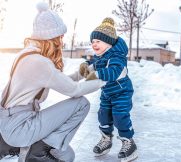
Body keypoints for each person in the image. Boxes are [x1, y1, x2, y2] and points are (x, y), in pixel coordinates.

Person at [0, 2, 105, 162]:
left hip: (12, 121)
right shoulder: (39, 62)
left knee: (67, 155)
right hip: (20, 126)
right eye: (60, 37)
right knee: (81, 104)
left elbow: (59, 82)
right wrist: (104, 77)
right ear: (52, 38)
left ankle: (35, 148)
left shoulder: (27, 55)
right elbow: (74, 91)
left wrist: (82, 73)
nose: (62, 42)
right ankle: (37, 150)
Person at [79, 17, 138, 162]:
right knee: (103, 115)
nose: (94, 44)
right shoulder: (102, 56)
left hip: (122, 92)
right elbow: (95, 63)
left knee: (120, 116)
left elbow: (113, 72)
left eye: (98, 41)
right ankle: (106, 139)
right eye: (93, 42)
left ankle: (129, 142)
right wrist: (86, 64)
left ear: (108, 42)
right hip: (107, 93)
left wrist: (95, 75)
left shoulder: (117, 57)